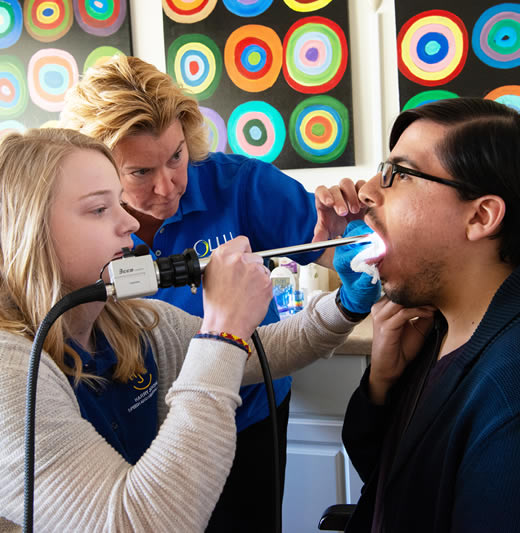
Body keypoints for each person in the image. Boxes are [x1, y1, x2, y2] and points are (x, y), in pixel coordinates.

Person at [0, 128, 380, 532]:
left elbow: (261, 350)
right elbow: (136, 524)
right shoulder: (10, 374)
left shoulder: (132, 323)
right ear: (28, 231)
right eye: (98, 209)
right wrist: (221, 331)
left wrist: (345, 305)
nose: (129, 222)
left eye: (119, 202)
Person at [325, 97, 520, 532]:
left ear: (481, 216)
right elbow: (386, 478)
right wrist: (382, 384)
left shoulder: (509, 396)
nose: (366, 191)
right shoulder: (433, 325)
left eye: (398, 174)